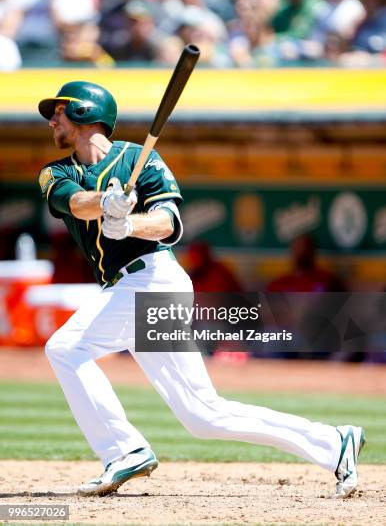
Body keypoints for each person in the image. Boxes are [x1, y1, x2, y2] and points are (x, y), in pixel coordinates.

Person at [39, 81, 364, 499]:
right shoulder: (58, 171)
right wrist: (108, 203)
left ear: (84, 112)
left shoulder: (141, 159)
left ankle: (124, 451)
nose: (53, 119)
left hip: (154, 279)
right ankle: (334, 444)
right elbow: (74, 202)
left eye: (60, 111)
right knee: (202, 415)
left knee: (65, 348)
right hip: (125, 288)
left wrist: (130, 223)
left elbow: (169, 223)